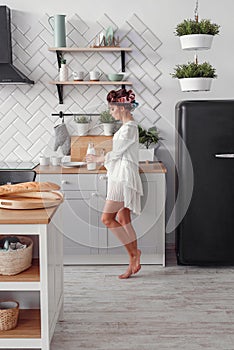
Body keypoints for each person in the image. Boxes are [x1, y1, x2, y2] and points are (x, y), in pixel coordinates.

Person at [86, 88, 143, 279]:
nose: (111, 113)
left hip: (122, 177)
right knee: (123, 219)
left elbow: (117, 153)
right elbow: (119, 152)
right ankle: (134, 258)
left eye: (112, 109)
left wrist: (97, 159)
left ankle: (133, 253)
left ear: (121, 107)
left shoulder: (129, 128)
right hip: (119, 175)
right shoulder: (127, 127)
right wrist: (101, 157)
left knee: (106, 219)